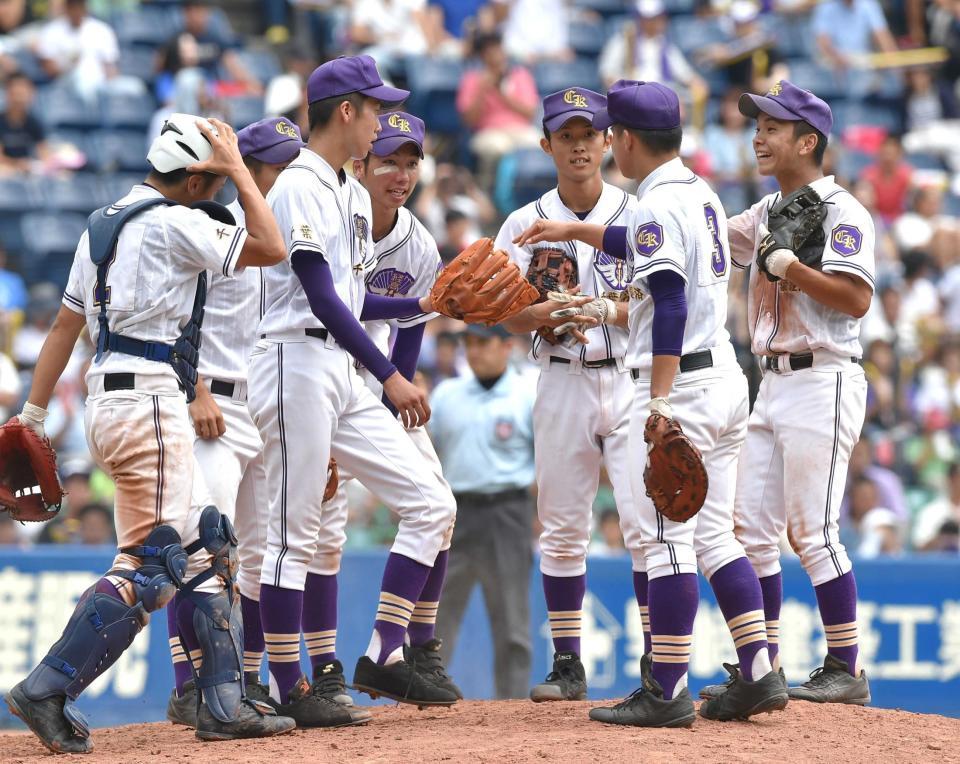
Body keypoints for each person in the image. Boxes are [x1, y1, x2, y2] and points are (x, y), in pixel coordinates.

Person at [3, 113, 292, 753]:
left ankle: (222, 703)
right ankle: (48, 688)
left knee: (202, 544)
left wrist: (33, 415)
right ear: (190, 179)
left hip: (109, 398)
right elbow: (271, 247)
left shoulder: (101, 223)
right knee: (151, 564)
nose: (216, 193)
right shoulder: (176, 219)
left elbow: (62, 328)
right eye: (210, 182)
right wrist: (241, 169)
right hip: (151, 403)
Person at [513, 79, 786, 726]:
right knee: (716, 534)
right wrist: (575, 229)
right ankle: (759, 671)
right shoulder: (695, 190)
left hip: (680, 383)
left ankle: (664, 690)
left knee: (666, 540)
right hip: (722, 374)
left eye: (613, 135)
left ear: (627, 139)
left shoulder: (655, 203)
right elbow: (637, 243)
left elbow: (664, 298)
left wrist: (658, 404)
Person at [246, 54, 461, 714]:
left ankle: (384, 652)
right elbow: (320, 297)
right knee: (293, 534)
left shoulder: (340, 188)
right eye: (373, 110)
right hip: (292, 361)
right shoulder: (303, 185)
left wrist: (433, 301)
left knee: (432, 504)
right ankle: (290, 688)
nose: (378, 123)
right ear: (347, 111)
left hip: (334, 369)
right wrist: (392, 374)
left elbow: (355, 301)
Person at [162, 117, 361, 729]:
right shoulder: (212, 227)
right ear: (239, 169)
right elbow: (167, 319)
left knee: (256, 552)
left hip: (260, 402)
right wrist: (193, 389)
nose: (281, 175)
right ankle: (189, 685)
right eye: (268, 165)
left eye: (284, 163)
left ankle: (245, 680)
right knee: (201, 549)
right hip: (210, 405)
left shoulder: (280, 240)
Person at [299, 110, 463, 706]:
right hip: (322, 375)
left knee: (437, 506)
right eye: (389, 159)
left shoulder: (418, 240)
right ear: (360, 162)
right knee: (318, 533)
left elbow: (415, 323)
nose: (401, 172)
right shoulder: (336, 212)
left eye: (412, 161)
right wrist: (392, 374)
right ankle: (320, 669)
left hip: (379, 389)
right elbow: (334, 300)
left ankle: (409, 649)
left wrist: (403, 389)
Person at [721, 79, 875, 704]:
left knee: (812, 532)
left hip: (825, 376)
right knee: (750, 529)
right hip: (771, 381)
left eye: (773, 127)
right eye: (757, 125)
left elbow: (858, 298)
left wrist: (796, 271)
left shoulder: (844, 211)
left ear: (807, 141)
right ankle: (766, 667)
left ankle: (845, 668)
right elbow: (699, 243)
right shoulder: (763, 213)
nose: (758, 135)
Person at [493, 86, 640, 704]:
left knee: (645, 524)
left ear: (609, 140)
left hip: (631, 378)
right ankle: (567, 663)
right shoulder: (524, 223)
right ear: (547, 143)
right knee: (560, 527)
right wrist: (540, 316)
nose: (579, 145)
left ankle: (662, 665)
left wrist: (608, 308)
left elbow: (669, 307)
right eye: (567, 135)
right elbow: (496, 308)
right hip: (560, 376)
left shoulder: (639, 213)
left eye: (590, 134)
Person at [431, 324, 537, 699]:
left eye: (483, 342)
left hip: (508, 510)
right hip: (455, 513)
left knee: (512, 621)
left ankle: (512, 706)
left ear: (507, 345)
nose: (475, 351)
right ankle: (427, 704)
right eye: (469, 343)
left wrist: (537, 519)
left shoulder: (528, 393)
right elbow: (427, 456)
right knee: (435, 619)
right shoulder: (446, 394)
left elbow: (545, 462)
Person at [456, 31, 540, 189]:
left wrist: (502, 94)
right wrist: (481, 90)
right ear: (482, 56)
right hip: (488, 131)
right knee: (498, 146)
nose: (496, 55)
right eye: (490, 51)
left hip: (520, 129)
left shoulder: (520, 75)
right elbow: (468, 120)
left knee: (536, 142)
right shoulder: (472, 79)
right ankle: (488, 193)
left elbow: (530, 113)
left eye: (498, 49)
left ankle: (530, 192)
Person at [0, 71, 48, 172]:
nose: (20, 99)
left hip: (26, 170)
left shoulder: (34, 122)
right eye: (16, 93)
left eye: (23, 93)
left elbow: (44, 154)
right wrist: (17, 164)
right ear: (8, 94)